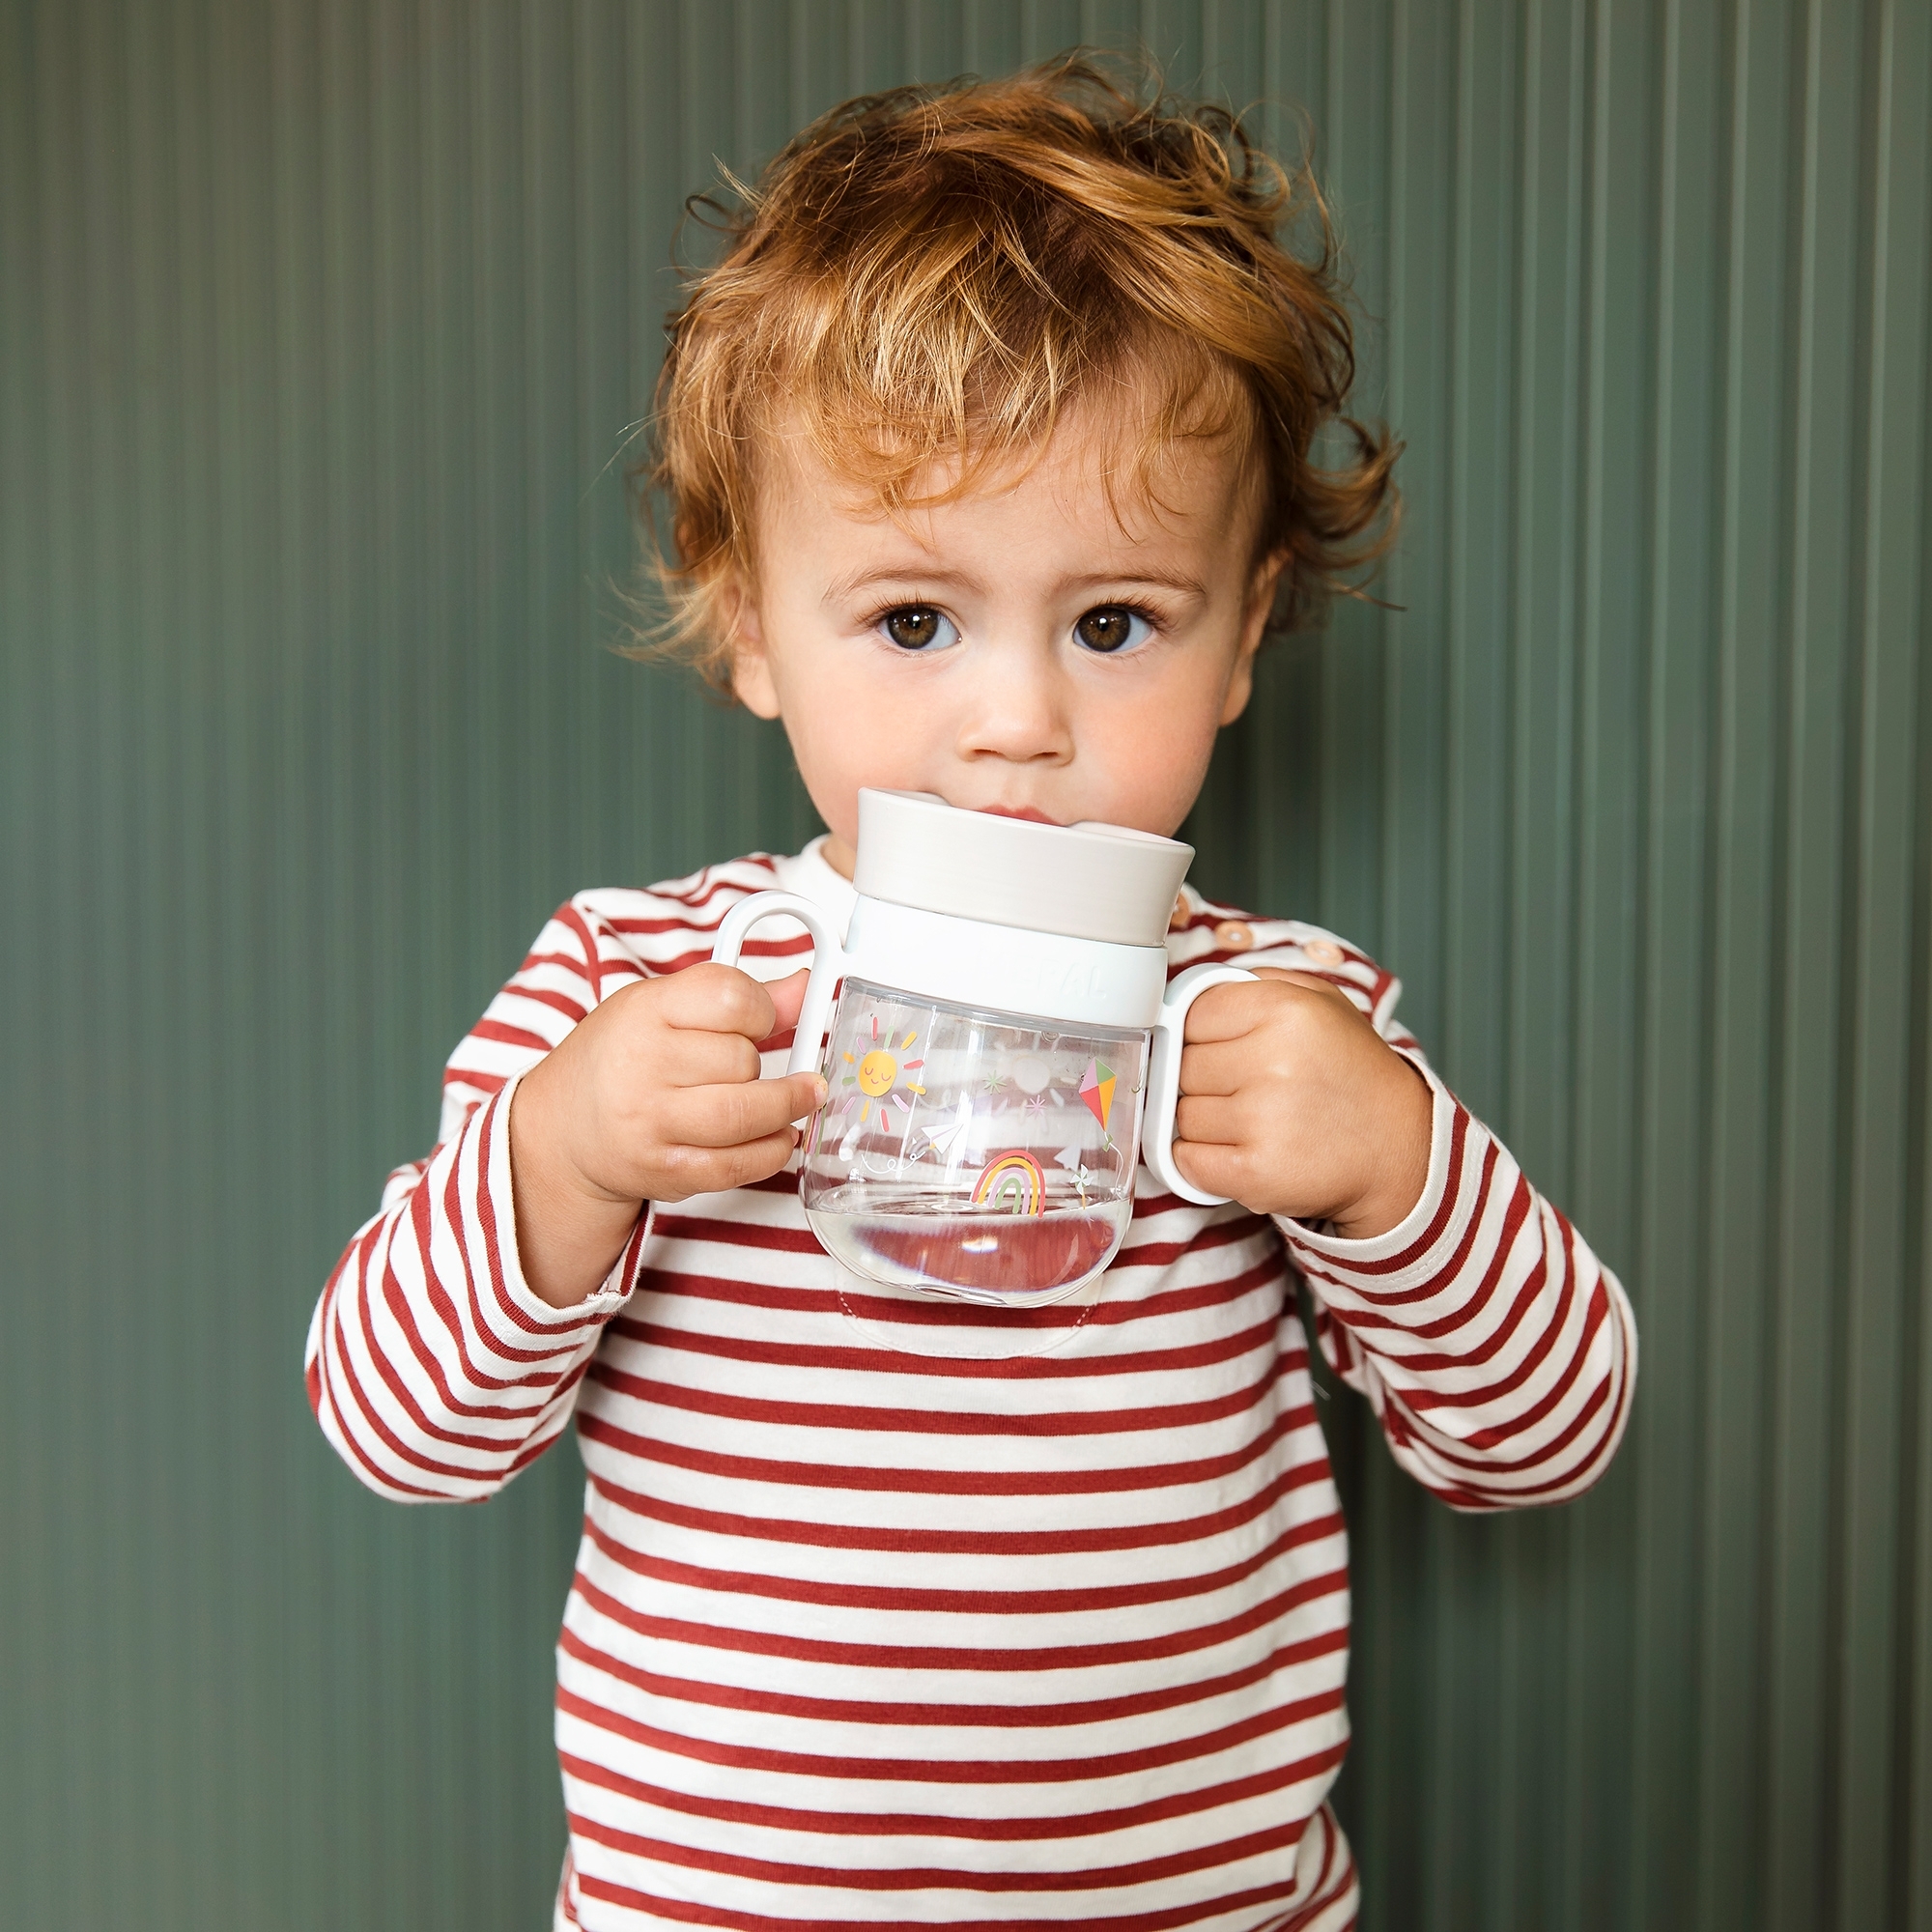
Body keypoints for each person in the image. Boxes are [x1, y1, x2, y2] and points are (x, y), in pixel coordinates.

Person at [305, 58, 1635, 1932]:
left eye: (1114, 623)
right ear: (753, 623)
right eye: (914, 618)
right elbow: (399, 1430)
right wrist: (564, 1153)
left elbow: (1539, 1438)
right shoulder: (635, 984)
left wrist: (1398, 1168)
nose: (1017, 722)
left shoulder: (1285, 1013)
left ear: (1242, 636)